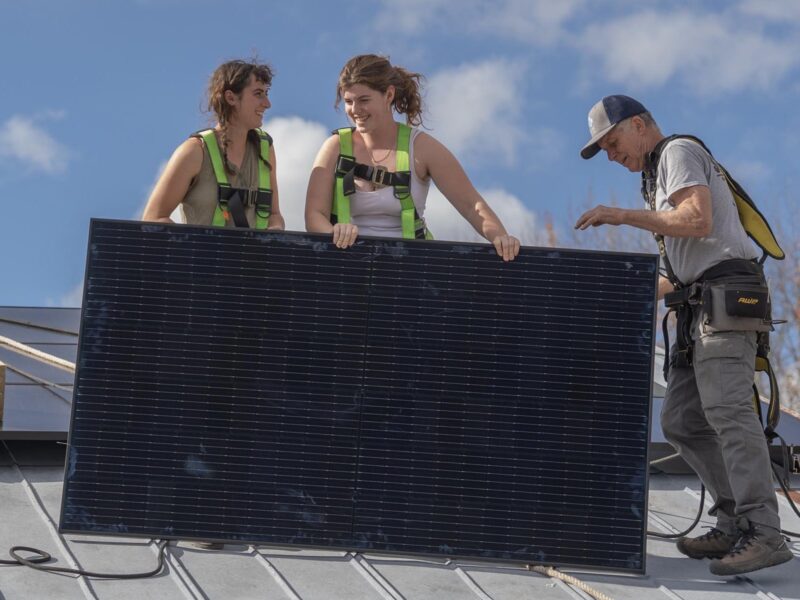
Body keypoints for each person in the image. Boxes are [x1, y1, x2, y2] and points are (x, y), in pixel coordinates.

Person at [575, 95, 791, 576]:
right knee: (682, 421)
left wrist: (620, 215)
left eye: (612, 142)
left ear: (638, 124)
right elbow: (681, 270)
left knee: (729, 413)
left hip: (725, 302)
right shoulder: (654, 179)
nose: (611, 155)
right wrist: (621, 300)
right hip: (699, 306)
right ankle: (734, 519)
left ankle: (765, 531)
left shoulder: (677, 152)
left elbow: (698, 220)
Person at [304, 54, 519, 261]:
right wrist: (334, 233)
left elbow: (472, 206)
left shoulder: (422, 148)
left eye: (364, 100)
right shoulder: (334, 147)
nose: (355, 110)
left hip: (411, 270)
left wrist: (500, 237)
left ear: (388, 95)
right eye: (349, 101)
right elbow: (315, 215)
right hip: (350, 263)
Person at [143, 59, 284, 231]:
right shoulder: (195, 151)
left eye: (266, 93)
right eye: (258, 94)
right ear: (231, 97)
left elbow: (274, 215)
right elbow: (153, 219)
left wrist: (275, 231)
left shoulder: (264, 149)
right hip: (202, 257)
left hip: (253, 258)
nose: (267, 103)